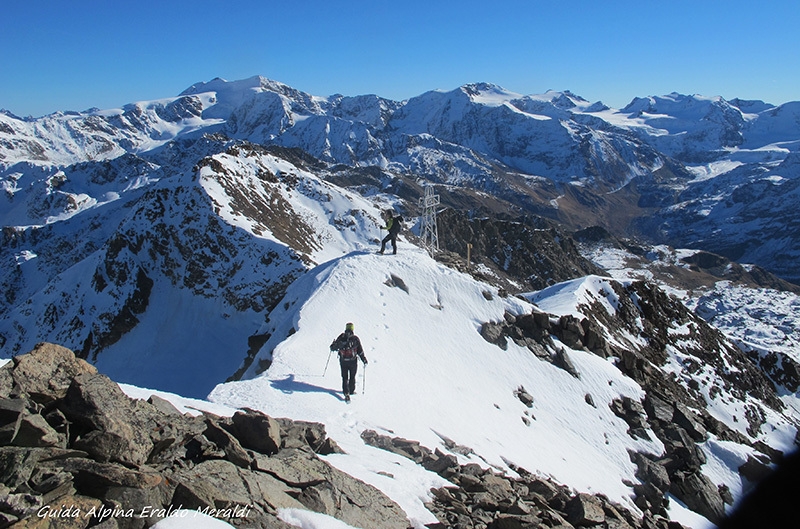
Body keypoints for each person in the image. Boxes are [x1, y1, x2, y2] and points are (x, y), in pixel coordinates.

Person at [329, 322, 368, 401]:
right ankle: (351, 391)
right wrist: (364, 359)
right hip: (353, 361)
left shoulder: (341, 337)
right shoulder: (355, 339)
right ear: (352, 329)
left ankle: (346, 392)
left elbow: (333, 347)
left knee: (344, 377)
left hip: (343, 361)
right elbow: (360, 350)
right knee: (352, 377)